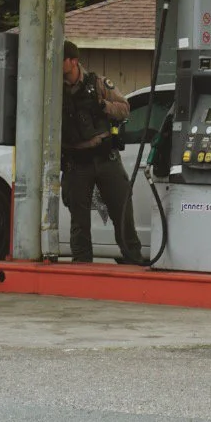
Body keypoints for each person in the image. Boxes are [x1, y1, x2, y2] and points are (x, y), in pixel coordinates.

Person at [60, 41, 145, 264]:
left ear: (73, 61)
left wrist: (102, 105)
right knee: (79, 220)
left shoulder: (97, 83)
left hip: (105, 158)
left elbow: (124, 108)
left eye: (61, 59)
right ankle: (81, 265)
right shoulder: (54, 89)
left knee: (122, 209)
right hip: (77, 162)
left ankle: (132, 260)